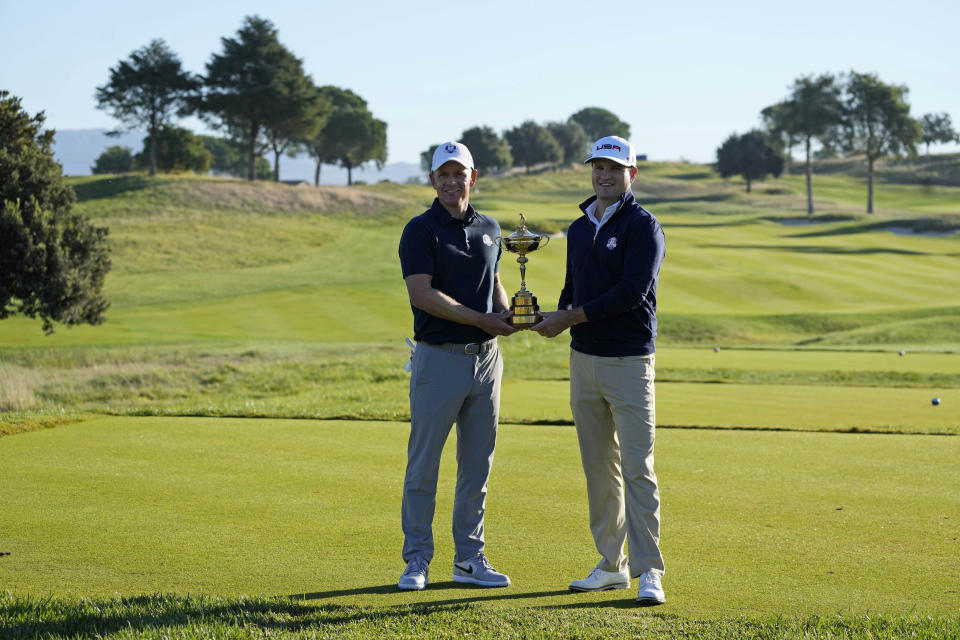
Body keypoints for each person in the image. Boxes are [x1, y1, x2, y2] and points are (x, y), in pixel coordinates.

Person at [532, 135, 667, 605]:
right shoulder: (580, 225)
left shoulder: (643, 226)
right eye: (597, 167)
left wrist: (568, 317)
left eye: (613, 168)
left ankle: (650, 571)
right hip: (583, 360)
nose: (604, 175)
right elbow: (574, 288)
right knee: (598, 470)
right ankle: (612, 565)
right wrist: (550, 316)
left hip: (629, 361)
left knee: (637, 469)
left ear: (631, 174)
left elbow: (630, 292)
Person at [396, 141, 517, 591]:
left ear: (473, 176)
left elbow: (497, 281)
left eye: (459, 173)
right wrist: (482, 319)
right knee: (424, 466)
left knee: (477, 466)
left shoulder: (490, 226)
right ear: (432, 180)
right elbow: (421, 294)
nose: (452, 181)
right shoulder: (420, 230)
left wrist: (510, 312)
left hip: (487, 362)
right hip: (438, 359)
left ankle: (469, 559)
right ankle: (417, 560)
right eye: (443, 174)